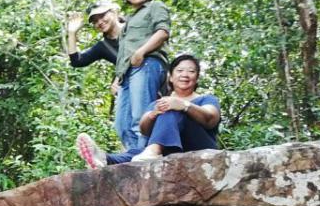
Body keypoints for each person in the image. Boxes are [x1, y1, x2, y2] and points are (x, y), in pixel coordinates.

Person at [77, 53, 218, 167]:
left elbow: (210, 118)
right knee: (138, 152)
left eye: (191, 71)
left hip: (199, 147)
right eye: (180, 70)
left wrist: (184, 105)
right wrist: (153, 114)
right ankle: (104, 159)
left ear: (197, 77)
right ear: (171, 76)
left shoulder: (206, 99)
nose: (185, 74)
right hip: (171, 150)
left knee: (170, 108)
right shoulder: (159, 102)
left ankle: (154, 151)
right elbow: (144, 130)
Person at [112, 0, 171, 152]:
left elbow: (163, 32)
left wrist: (142, 51)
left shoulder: (155, 6)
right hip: (127, 74)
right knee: (121, 124)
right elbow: (124, 54)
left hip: (147, 64)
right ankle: (133, 157)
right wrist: (117, 78)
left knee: (141, 117)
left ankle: (145, 159)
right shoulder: (129, 20)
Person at [66, 0, 123, 69]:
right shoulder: (103, 46)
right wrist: (71, 33)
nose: (99, 22)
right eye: (95, 21)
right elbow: (77, 61)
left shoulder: (133, 25)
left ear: (114, 12)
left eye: (102, 16)